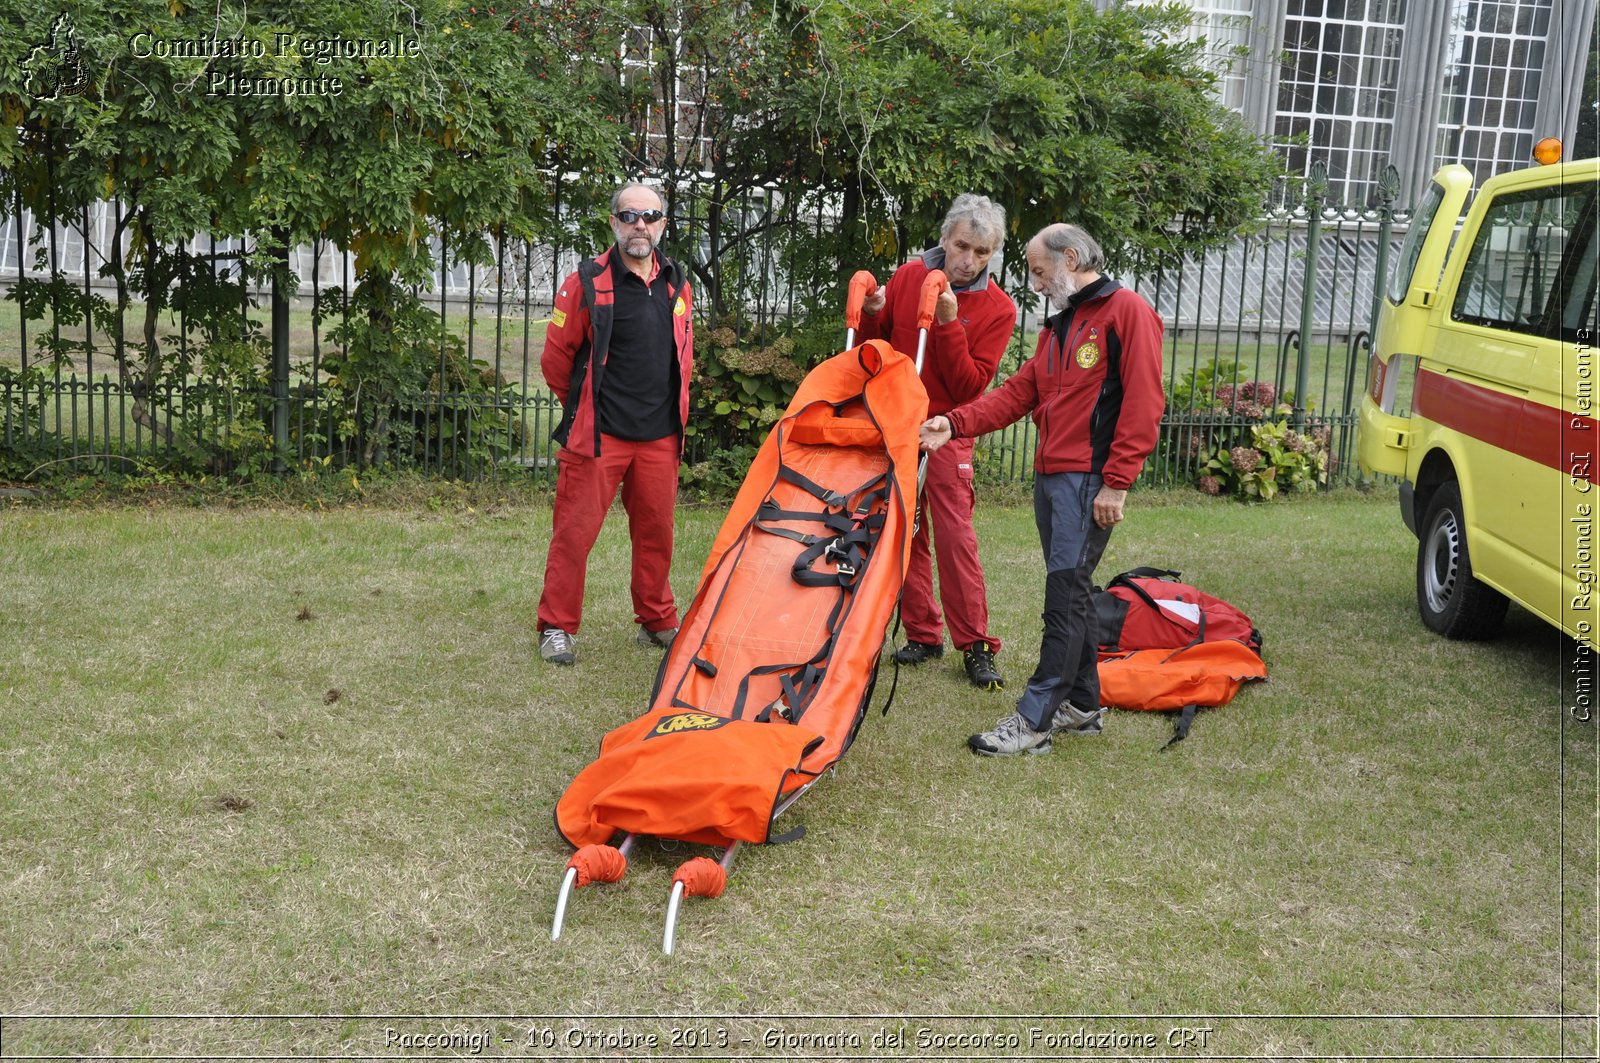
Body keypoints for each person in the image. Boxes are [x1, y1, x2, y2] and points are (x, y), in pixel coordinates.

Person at [919, 223, 1165, 755]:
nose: (1032, 284)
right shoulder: (1060, 326)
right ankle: (1083, 704)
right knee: (1071, 592)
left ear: (1070, 258)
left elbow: (1145, 403)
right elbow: (1016, 394)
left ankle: (1034, 720)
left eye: (1036, 271)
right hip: (1053, 478)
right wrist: (952, 424)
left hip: (1088, 480)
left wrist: (1116, 483)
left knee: (1063, 597)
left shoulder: (1127, 313)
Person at [856, 193, 1016, 691]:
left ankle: (975, 645)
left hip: (948, 431)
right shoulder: (907, 277)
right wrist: (872, 311)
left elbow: (972, 387)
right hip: (896, 422)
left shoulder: (998, 308)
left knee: (954, 537)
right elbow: (875, 344)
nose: (969, 261)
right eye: (962, 246)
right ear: (944, 238)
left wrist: (949, 323)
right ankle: (925, 634)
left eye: (982, 253)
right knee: (904, 529)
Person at [536, 182, 693, 665]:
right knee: (574, 534)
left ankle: (657, 619)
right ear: (614, 223)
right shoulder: (585, 282)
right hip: (599, 437)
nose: (639, 225)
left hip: (660, 438)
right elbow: (555, 361)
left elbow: (683, 355)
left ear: (663, 223)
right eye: (629, 216)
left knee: (656, 534)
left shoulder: (676, 284)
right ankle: (556, 627)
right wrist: (584, 409)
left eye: (649, 216)